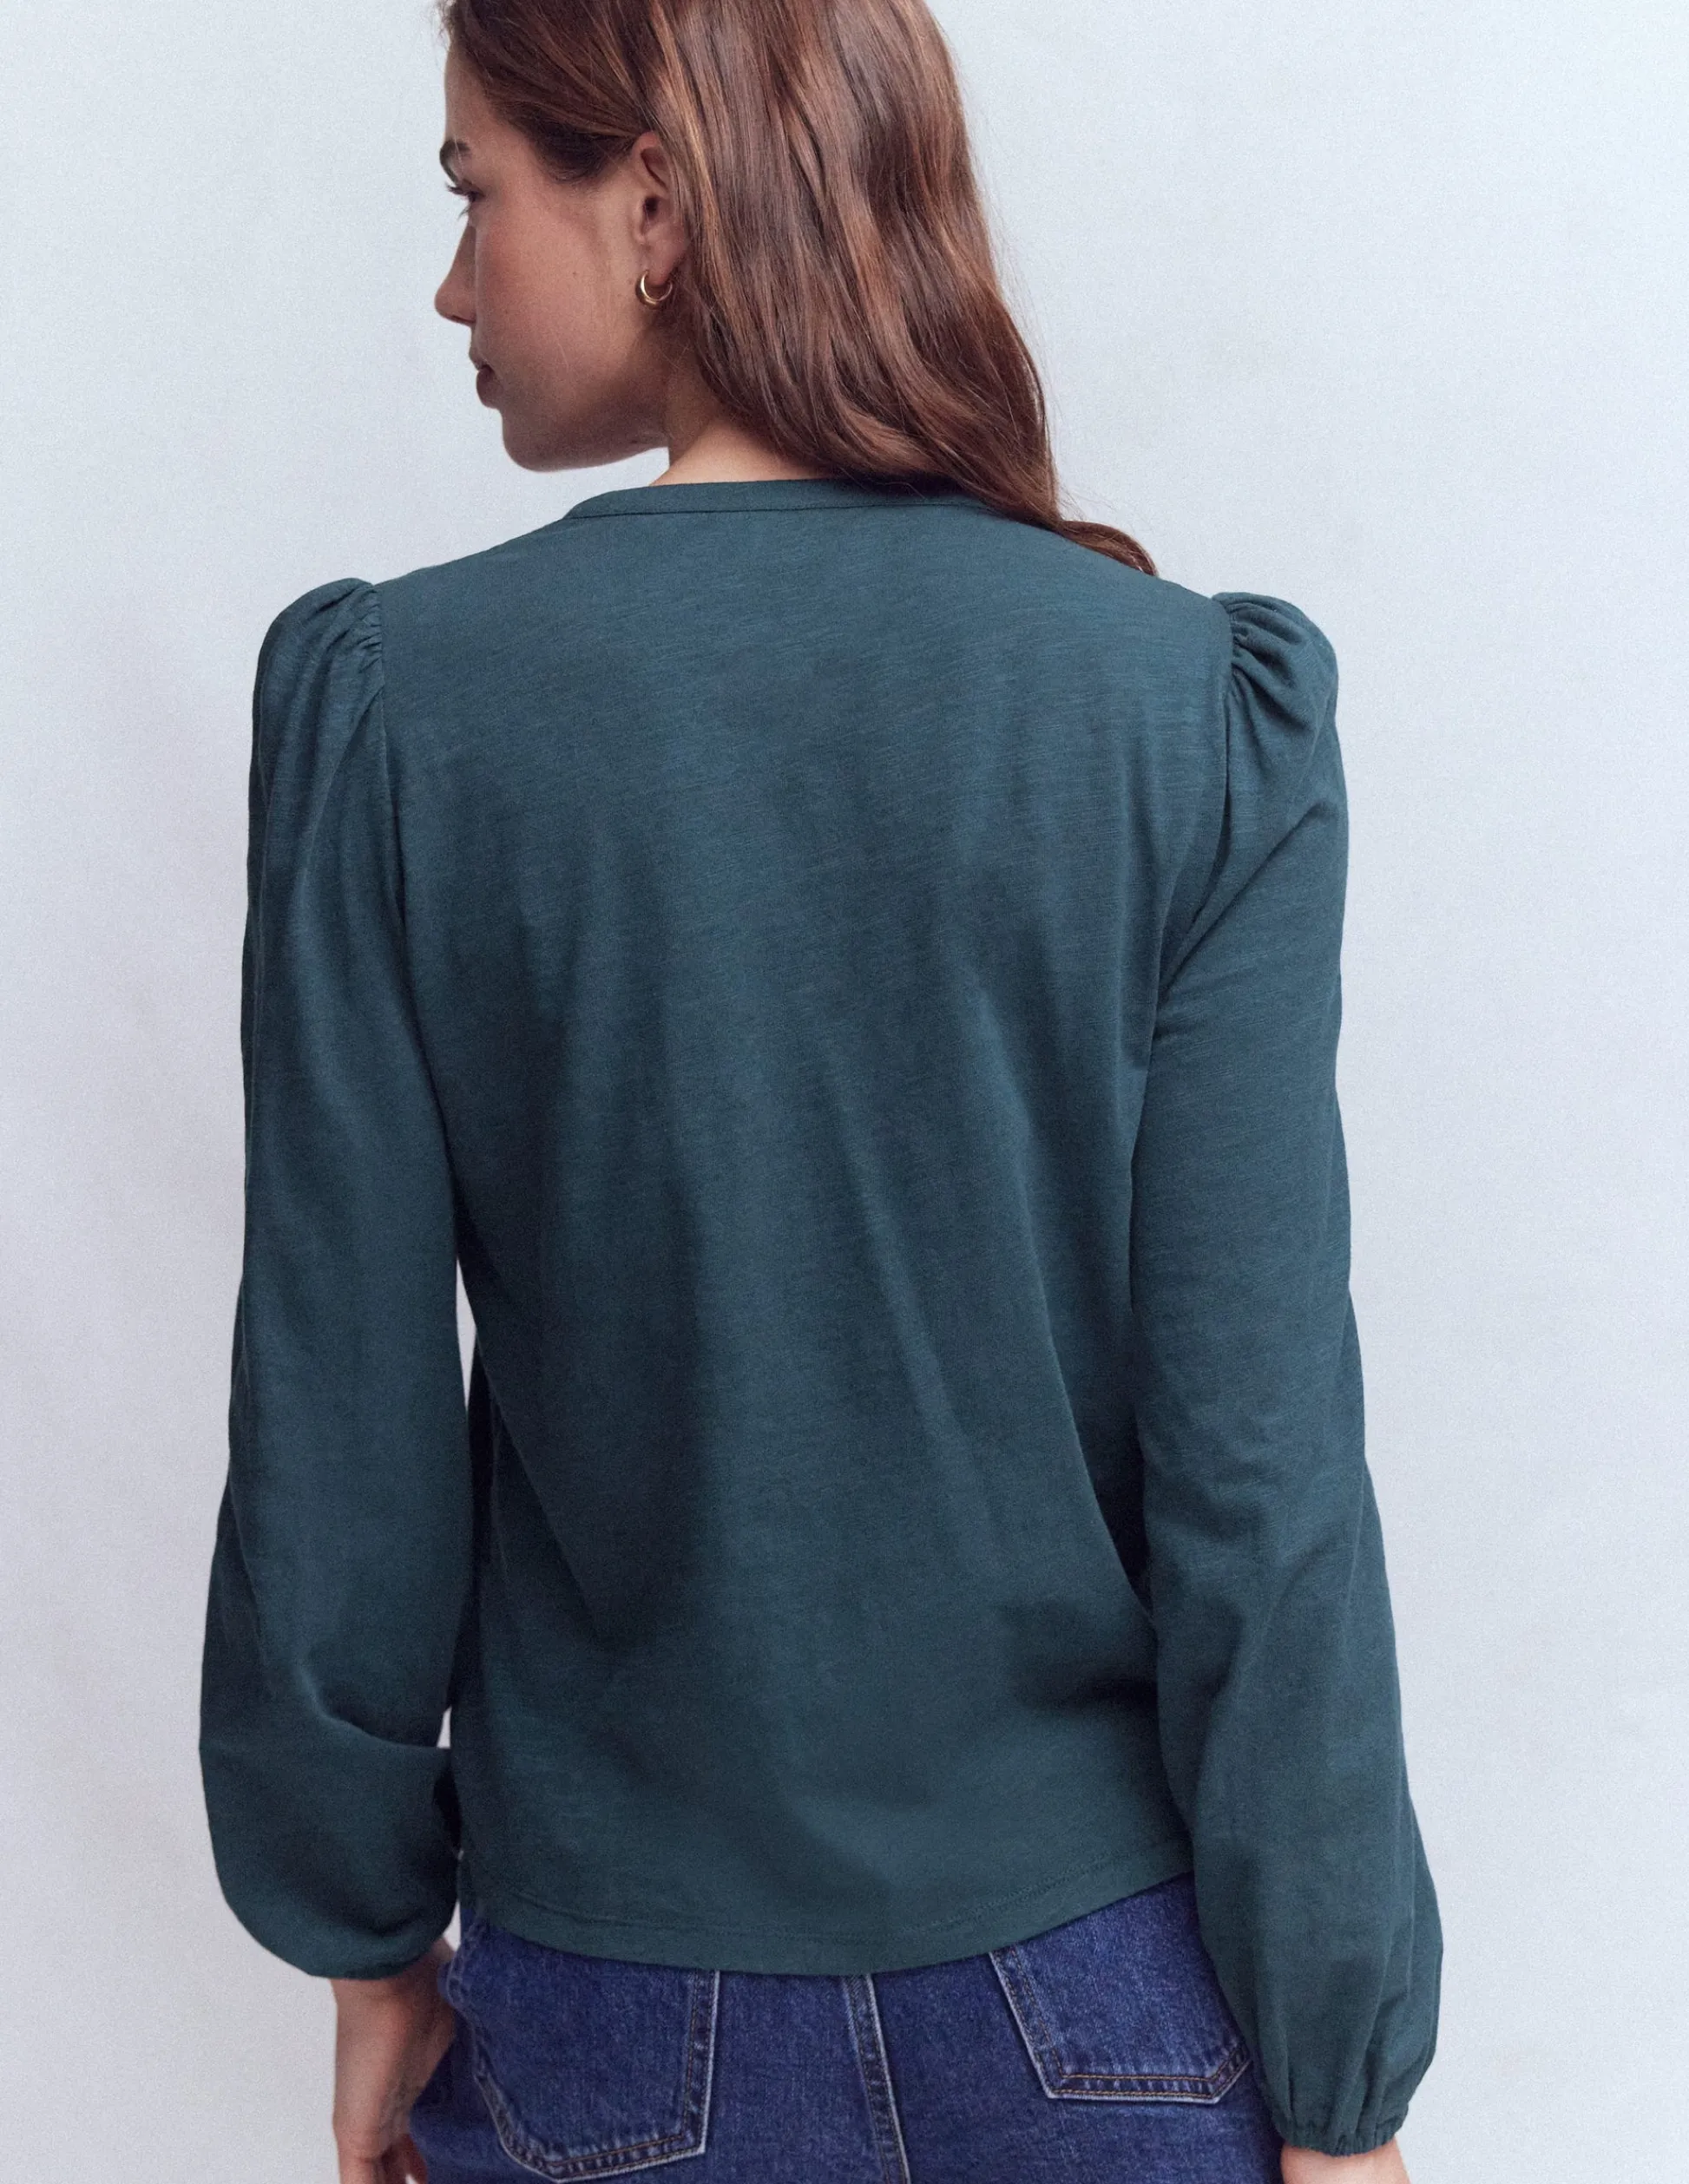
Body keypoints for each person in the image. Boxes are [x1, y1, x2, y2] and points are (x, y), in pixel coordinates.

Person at [197, 2, 1442, 2179]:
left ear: (657, 204)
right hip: (1107, 1999)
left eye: (475, 195)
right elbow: (1258, 1469)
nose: (454, 284)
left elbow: (339, 1418)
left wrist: (369, 1946)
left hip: (607, 2010)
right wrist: (1336, 2084)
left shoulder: (398, 712)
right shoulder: (1189, 713)